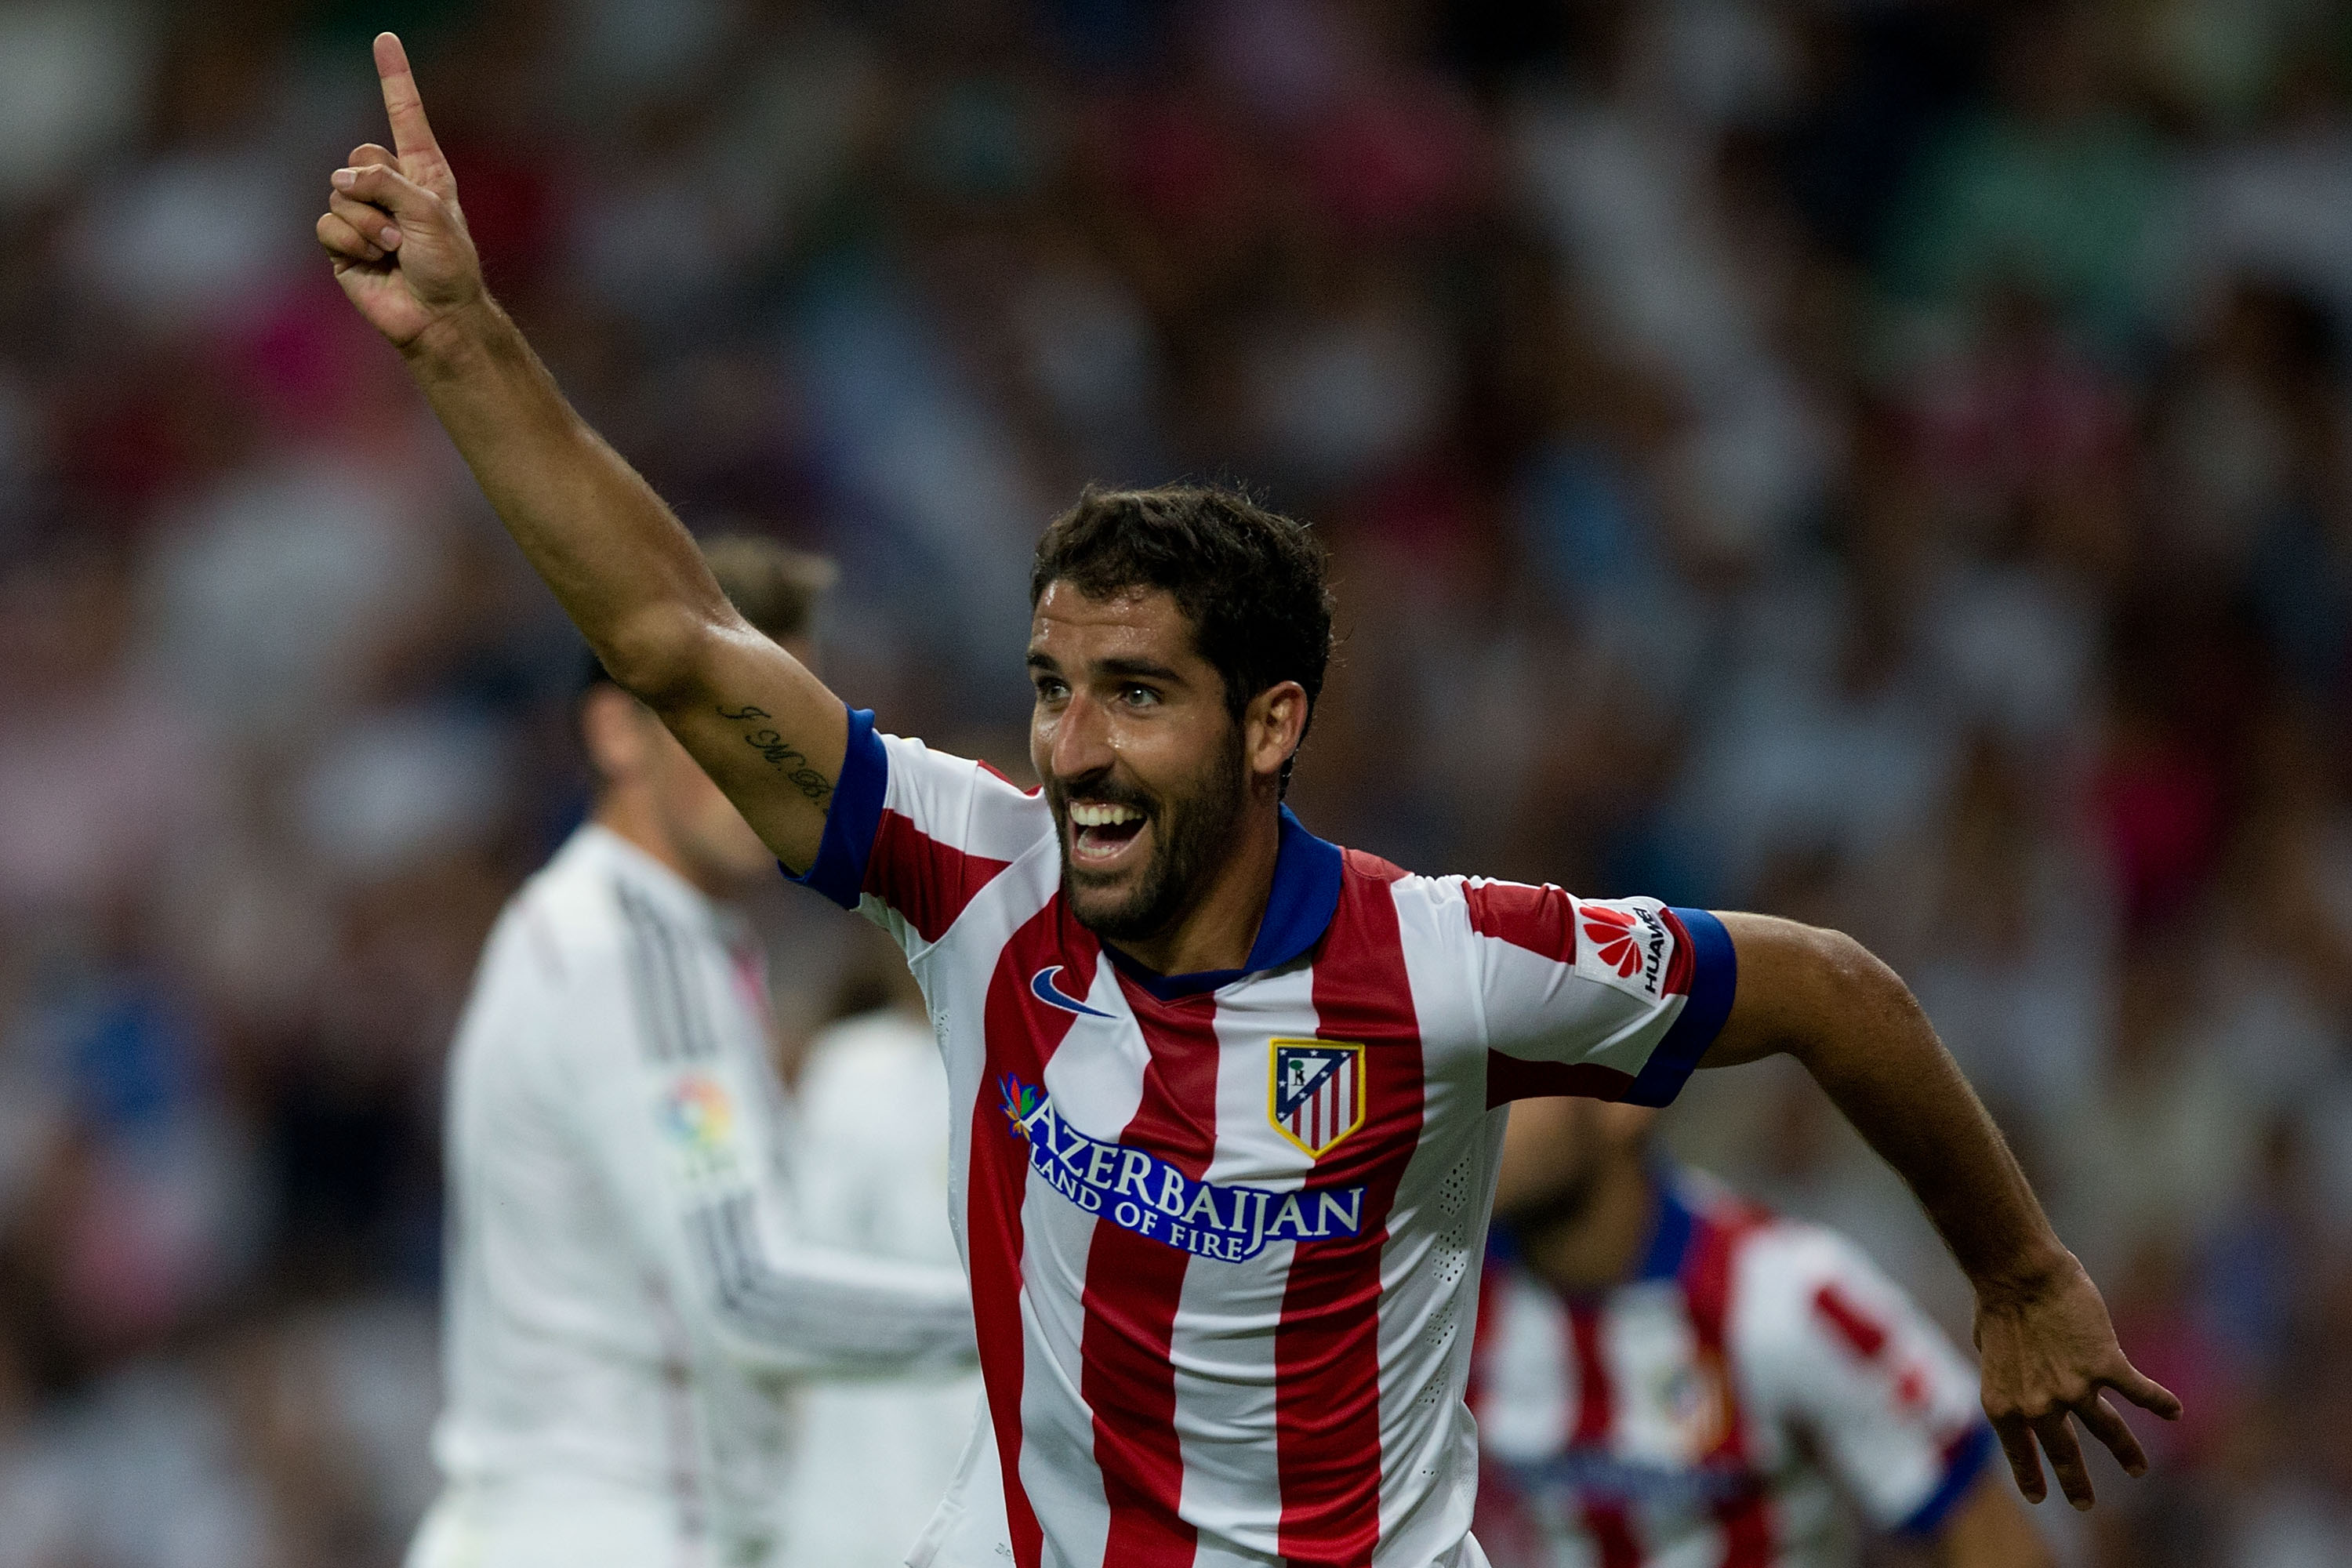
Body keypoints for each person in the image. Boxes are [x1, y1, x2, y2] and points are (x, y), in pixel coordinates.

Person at [319, 35, 2179, 1568]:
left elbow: (1833, 986)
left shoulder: (1449, 967)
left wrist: (2016, 1268)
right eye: (1052, 690)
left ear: (1267, 721)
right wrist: (467, 345)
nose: (1071, 747)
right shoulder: (972, 878)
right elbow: (674, 631)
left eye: (1135, 695)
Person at [405, 536, 978, 1568]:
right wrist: (1037, 1311)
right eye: (730, 719)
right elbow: (749, 1295)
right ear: (617, 731)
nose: (776, 762)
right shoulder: (633, 951)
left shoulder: (616, 934)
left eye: (799, 725)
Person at [1469, 1096, 2054, 1568]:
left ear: (1627, 1098)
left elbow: (1990, 1534)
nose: (1478, 1103)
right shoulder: (1445, 1298)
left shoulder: (1792, 1299)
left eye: (1522, 1074)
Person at [779, 974, 990, 1568]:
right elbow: (805, 1273)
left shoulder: (1056, 1069)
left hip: (983, 1472)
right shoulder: (856, 1067)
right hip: (856, 1479)